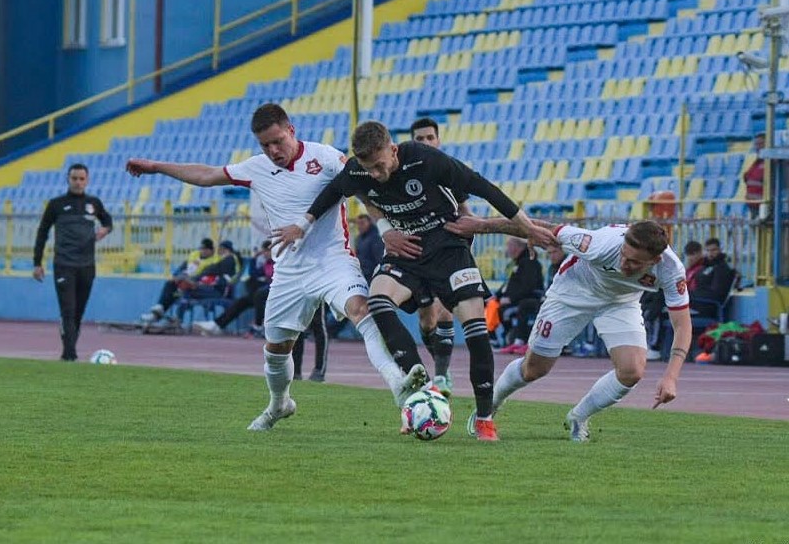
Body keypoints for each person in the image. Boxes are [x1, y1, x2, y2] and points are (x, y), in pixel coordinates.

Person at [126, 103, 427, 432]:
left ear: (291, 131)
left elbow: (364, 185)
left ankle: (398, 385)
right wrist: (156, 166)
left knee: (362, 312)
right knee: (276, 348)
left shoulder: (325, 157)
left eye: (277, 141)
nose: (272, 150)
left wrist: (387, 227)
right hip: (289, 272)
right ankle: (279, 404)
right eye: (265, 145)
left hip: (333, 261)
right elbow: (206, 175)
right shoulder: (256, 168)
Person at [274, 120, 556, 441]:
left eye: (381, 166)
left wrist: (527, 227)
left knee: (476, 329)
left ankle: (484, 417)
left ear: (393, 150)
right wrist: (302, 224)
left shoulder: (426, 159)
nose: (377, 174)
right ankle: (419, 384)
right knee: (377, 302)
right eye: (370, 169)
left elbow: (484, 187)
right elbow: (332, 192)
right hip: (406, 249)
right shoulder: (359, 170)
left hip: (448, 247)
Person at [445, 218, 692, 442]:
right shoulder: (599, 244)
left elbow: (682, 324)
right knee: (534, 369)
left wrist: (671, 376)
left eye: (634, 262)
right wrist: (479, 225)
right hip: (572, 294)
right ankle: (488, 407)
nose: (624, 264)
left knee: (632, 371)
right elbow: (538, 226)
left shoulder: (671, 270)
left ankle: (578, 417)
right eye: (623, 255)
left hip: (620, 303)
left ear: (655, 260)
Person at [406, 117, 471, 396]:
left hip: (447, 251)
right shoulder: (403, 174)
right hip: (416, 254)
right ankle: (438, 365)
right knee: (426, 319)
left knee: (445, 309)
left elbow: (466, 211)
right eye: (419, 139)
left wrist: (465, 241)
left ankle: (441, 378)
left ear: (438, 140)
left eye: (430, 138)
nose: (425, 143)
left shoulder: (449, 171)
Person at [32, 163, 113, 361]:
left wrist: (106, 228)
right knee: (67, 310)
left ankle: (69, 350)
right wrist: (37, 262)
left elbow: (108, 220)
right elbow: (42, 232)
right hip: (64, 264)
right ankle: (69, 354)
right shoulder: (56, 204)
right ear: (68, 179)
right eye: (74, 178)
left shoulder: (94, 203)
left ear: (87, 180)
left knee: (78, 312)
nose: (78, 182)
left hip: (87, 265)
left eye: (81, 179)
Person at [194, 239, 274, 336]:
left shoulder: (279, 263)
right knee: (242, 301)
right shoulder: (266, 264)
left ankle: (258, 325)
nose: (265, 254)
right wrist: (254, 258)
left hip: (276, 291)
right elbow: (254, 274)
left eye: (268, 251)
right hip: (265, 292)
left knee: (258, 294)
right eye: (264, 251)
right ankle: (217, 325)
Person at [140, 238, 219, 322]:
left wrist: (190, 280)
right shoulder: (194, 255)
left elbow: (206, 276)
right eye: (202, 249)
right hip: (184, 284)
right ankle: (158, 310)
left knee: (178, 293)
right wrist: (176, 276)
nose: (203, 251)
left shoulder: (214, 261)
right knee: (170, 284)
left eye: (206, 249)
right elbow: (182, 267)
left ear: (211, 250)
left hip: (196, 286)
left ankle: (176, 318)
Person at [494, 236, 544, 354]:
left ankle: (517, 341)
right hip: (516, 301)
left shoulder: (529, 263)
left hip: (528, 300)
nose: (507, 249)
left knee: (508, 310)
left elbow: (528, 287)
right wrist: (497, 296)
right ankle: (503, 340)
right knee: (492, 306)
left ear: (518, 247)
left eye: (509, 246)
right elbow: (508, 285)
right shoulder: (517, 263)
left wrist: (510, 299)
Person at [689, 237, 736, 319]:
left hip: (707, 305)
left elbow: (716, 293)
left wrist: (692, 295)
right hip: (697, 301)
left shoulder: (721, 268)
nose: (710, 253)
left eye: (714, 250)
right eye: (708, 250)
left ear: (720, 250)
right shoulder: (706, 266)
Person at [291, 305, 329, 382]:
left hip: (317, 293)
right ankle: (295, 370)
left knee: (318, 324)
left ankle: (319, 369)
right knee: (297, 325)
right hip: (298, 293)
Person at [742, 132, 765, 218]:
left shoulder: (770, 163)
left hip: (763, 207)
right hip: (753, 206)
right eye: (756, 144)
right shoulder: (756, 162)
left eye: (761, 144)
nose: (758, 147)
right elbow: (747, 177)